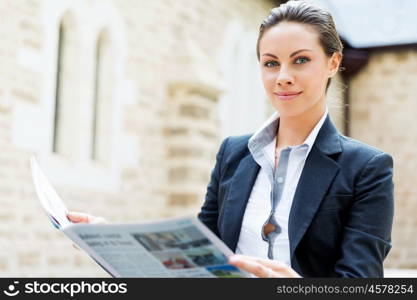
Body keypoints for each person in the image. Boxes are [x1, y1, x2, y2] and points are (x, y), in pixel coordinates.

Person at [68, 0, 394, 278]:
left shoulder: (368, 168)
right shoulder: (233, 153)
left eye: (301, 60)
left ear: (333, 63)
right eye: (270, 63)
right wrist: (112, 240)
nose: (283, 77)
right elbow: (195, 259)